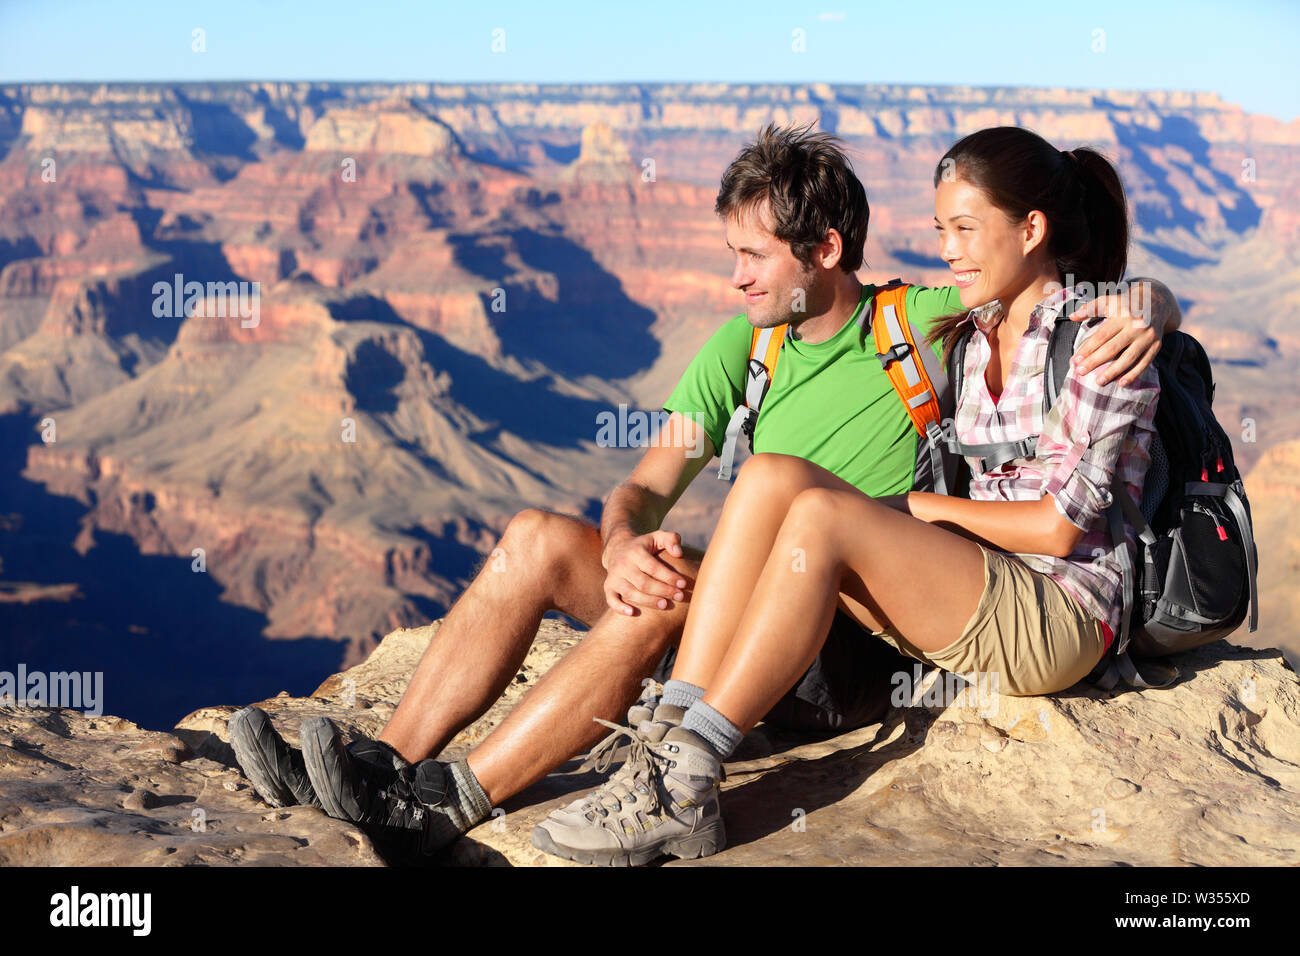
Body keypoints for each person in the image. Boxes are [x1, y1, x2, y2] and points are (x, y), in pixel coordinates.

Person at [227, 122, 1179, 862]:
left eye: (753, 258)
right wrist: (621, 540)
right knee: (535, 538)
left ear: (827, 251)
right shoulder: (744, 349)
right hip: (738, 593)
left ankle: (448, 807)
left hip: (824, 624)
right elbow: (644, 482)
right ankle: (379, 769)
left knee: (659, 609)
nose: (732, 281)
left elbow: (1069, 297)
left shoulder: (924, 323)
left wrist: (1150, 304)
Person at [531, 125, 1163, 866]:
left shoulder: (1103, 344)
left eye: (966, 229)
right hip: (983, 581)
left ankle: (690, 777)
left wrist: (913, 509)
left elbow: (1060, 532)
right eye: (940, 229)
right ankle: (670, 745)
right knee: (772, 473)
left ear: (1031, 229)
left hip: (1063, 615)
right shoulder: (974, 326)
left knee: (824, 518)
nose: (949, 250)